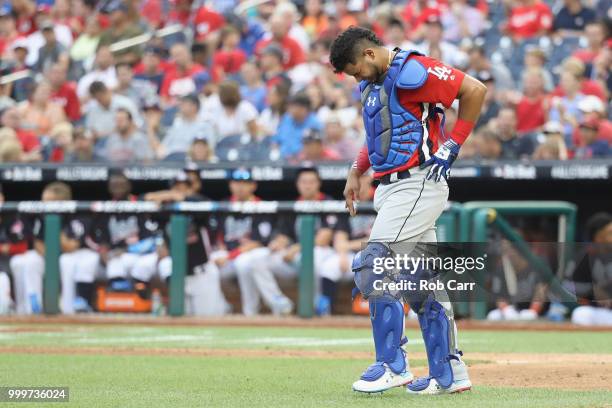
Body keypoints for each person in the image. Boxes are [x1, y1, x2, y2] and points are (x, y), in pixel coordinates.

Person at [330, 27, 486, 394]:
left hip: (418, 181)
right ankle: (449, 372)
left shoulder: (413, 69)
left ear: (369, 54)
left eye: (355, 69)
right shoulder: (373, 85)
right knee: (421, 284)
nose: (356, 77)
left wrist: (454, 144)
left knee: (373, 265)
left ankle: (392, 363)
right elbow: (379, 134)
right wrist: (356, 170)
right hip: (390, 186)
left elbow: (474, 89)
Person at [208, 168, 293, 316]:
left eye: (245, 183)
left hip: (254, 253)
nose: (240, 186)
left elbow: (258, 242)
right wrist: (221, 253)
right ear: (230, 185)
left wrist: (229, 256)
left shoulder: (261, 206)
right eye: (237, 182)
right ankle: (220, 307)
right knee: (207, 267)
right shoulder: (224, 205)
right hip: (229, 255)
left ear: (253, 186)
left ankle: (251, 311)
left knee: (245, 262)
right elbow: (218, 237)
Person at [10, 182, 73, 314]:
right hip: (46, 255)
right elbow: (37, 243)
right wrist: (49, 258)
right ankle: (31, 309)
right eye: (44, 201)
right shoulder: (40, 216)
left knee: (67, 262)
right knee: (30, 261)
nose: (45, 205)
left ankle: (68, 308)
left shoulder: (71, 214)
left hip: (69, 256)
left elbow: (71, 246)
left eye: (49, 202)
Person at [569, 212, 612, 326]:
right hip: (599, 312)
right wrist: (592, 290)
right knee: (580, 314)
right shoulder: (584, 257)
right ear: (598, 237)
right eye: (610, 233)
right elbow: (568, 286)